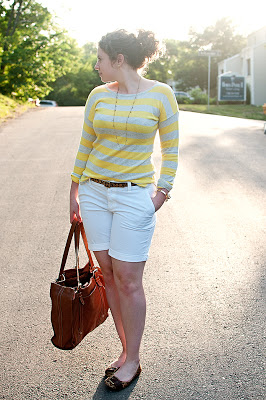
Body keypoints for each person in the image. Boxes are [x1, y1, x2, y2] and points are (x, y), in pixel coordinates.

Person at [70, 29, 179, 391]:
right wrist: (75, 190)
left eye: (100, 58)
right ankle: (125, 351)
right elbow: (86, 144)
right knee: (109, 275)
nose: (96, 65)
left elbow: (171, 151)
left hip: (135, 197)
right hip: (95, 194)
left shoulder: (161, 95)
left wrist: (161, 193)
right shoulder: (97, 96)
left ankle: (133, 359)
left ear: (119, 60)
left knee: (129, 280)